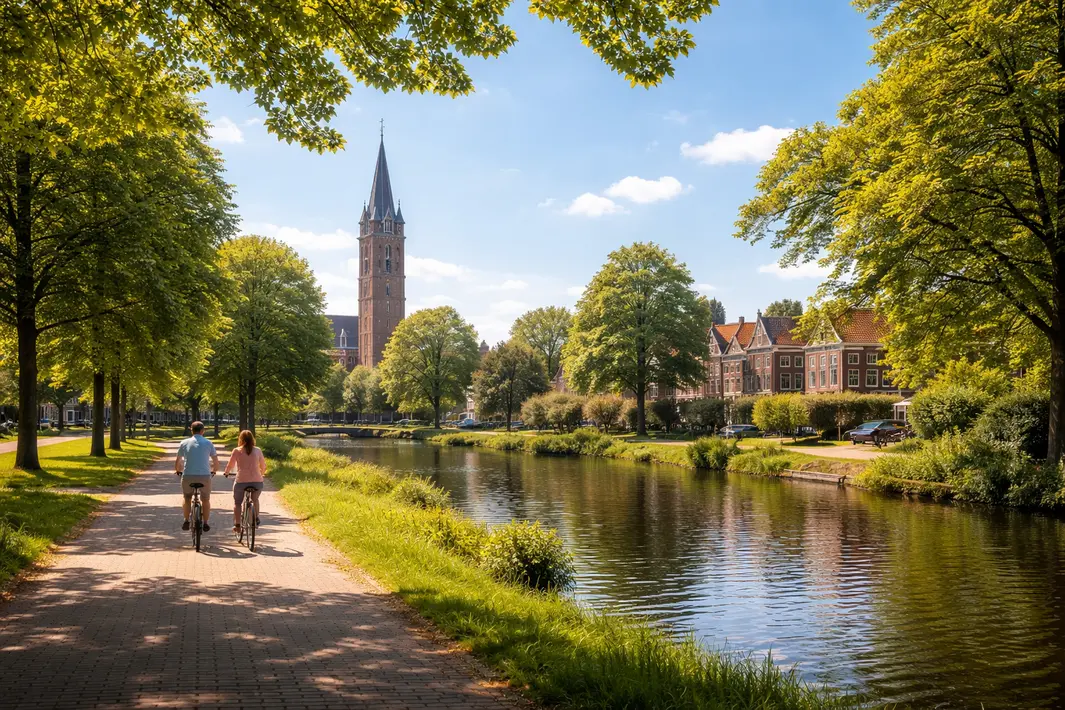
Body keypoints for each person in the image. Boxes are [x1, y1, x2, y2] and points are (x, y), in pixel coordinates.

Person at [174, 421, 219, 532]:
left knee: (187, 497)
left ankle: (186, 520)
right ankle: (205, 523)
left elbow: (178, 461)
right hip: (204, 476)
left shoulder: (184, 443)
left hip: (188, 475)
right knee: (206, 499)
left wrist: (178, 471)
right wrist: (214, 471)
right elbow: (215, 461)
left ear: (191, 430)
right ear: (203, 431)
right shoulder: (209, 443)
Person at [224, 429, 266, 533]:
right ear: (252, 439)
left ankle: (237, 525)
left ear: (241, 439)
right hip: (257, 481)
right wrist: (262, 474)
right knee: (255, 499)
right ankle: (255, 518)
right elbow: (263, 466)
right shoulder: (258, 450)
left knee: (238, 503)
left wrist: (226, 472)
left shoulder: (237, 450)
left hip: (241, 481)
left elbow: (230, 465)